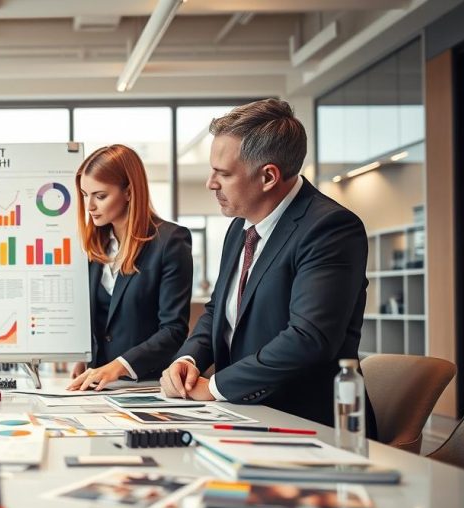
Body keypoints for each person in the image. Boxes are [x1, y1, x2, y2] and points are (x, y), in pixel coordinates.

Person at [159, 99, 377, 436]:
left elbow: (309, 338)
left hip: (307, 424)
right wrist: (187, 361)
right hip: (243, 416)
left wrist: (215, 386)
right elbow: (218, 309)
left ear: (268, 176)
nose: (211, 183)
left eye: (224, 173)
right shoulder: (240, 225)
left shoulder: (330, 228)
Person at [67, 144, 193, 391]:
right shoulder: (96, 246)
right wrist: (84, 358)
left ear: (128, 191)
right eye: (84, 194)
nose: (89, 206)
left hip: (148, 384)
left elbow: (173, 330)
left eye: (100, 196)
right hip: (99, 386)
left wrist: (119, 366)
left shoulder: (170, 241)